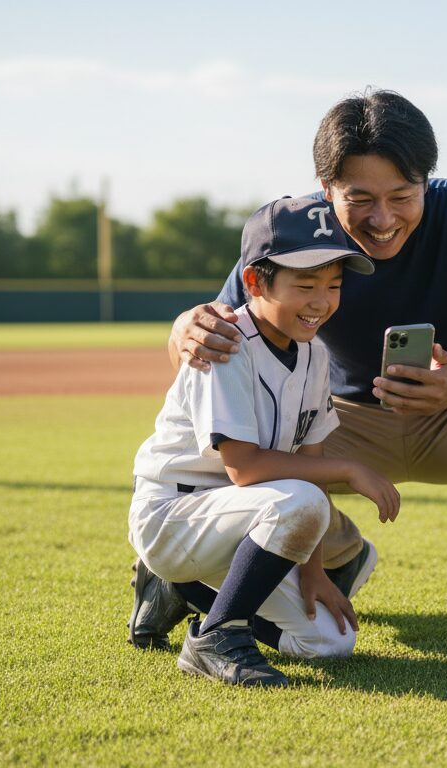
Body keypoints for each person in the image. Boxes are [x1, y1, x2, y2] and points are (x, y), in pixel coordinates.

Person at [167, 89, 447, 651]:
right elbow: (214, 335)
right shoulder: (298, 230)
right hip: (334, 428)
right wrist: (184, 329)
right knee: (235, 440)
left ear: (427, 183)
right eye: (359, 198)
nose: (383, 218)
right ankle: (234, 567)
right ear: (326, 189)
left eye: (402, 196)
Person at [127, 196, 398, 687]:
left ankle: (181, 591)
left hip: (241, 520)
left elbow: (308, 458)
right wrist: (351, 469)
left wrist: (313, 571)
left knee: (331, 641)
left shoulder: (314, 354)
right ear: (253, 281)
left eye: (334, 285)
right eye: (306, 285)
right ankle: (216, 636)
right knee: (302, 497)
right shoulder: (225, 342)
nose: (321, 301)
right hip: (174, 515)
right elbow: (245, 468)